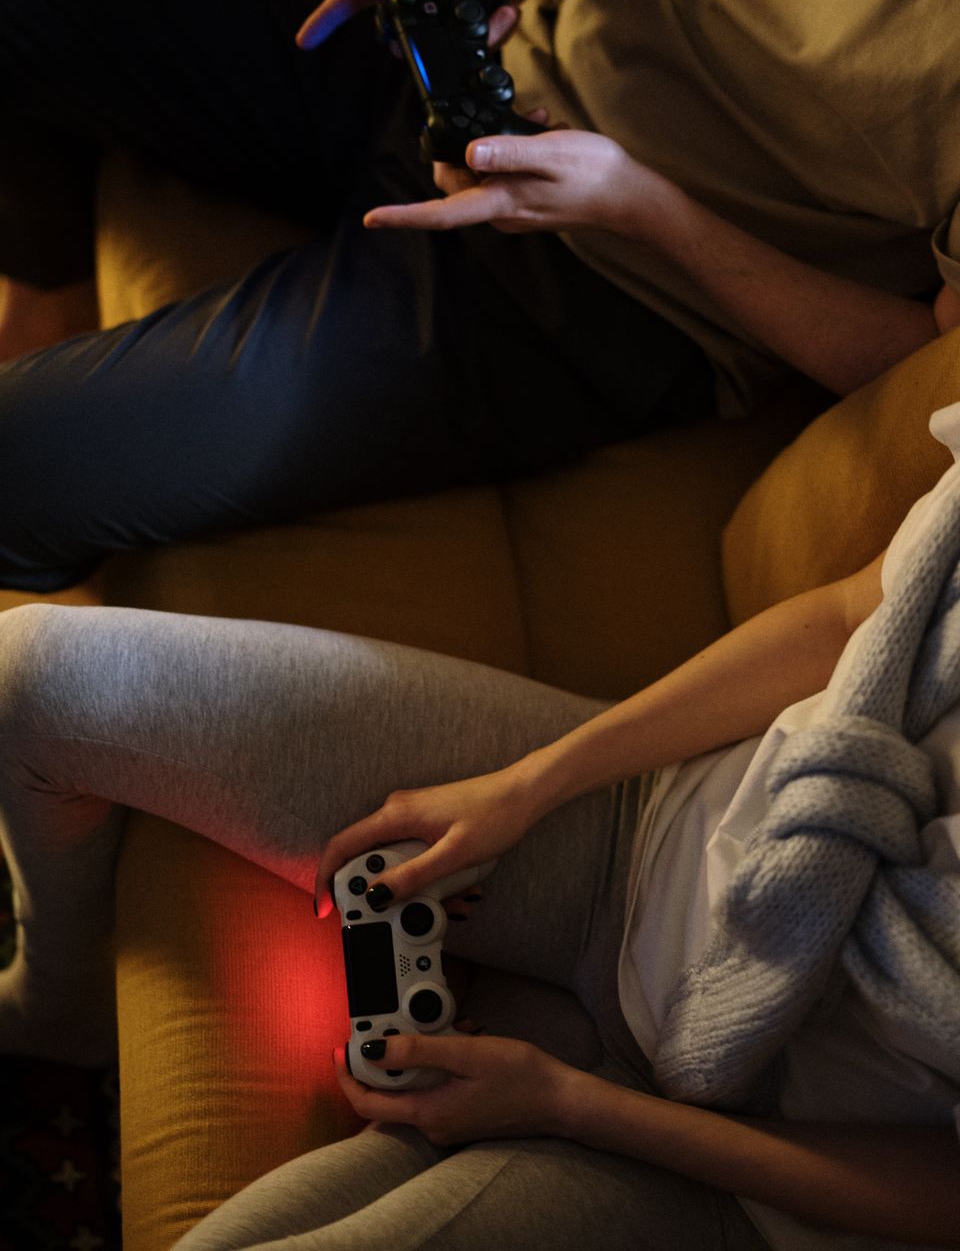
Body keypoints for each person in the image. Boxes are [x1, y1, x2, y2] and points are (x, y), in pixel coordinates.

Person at [2, 402, 960, 1251]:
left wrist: (572, 1106)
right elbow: (848, 618)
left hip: (739, 1163)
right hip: (640, 828)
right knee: (31, 674)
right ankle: (65, 998)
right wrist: (527, 787)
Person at [2, 0, 960, 593]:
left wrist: (640, 204)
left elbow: (930, 368)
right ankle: (49, 274)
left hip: (597, 291)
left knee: (21, 469)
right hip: (469, 43)